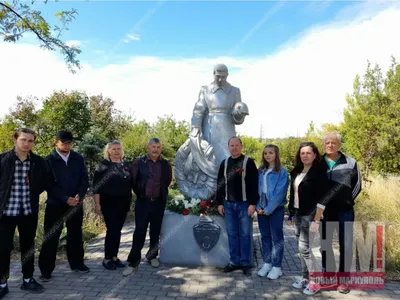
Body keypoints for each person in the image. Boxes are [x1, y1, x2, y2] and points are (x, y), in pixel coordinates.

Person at [174, 63, 250, 200]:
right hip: (209, 127)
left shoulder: (235, 91)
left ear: (227, 75)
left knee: (227, 159)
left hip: (227, 128)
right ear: (213, 74)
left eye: (223, 76)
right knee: (209, 157)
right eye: (217, 76)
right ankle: (206, 197)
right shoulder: (205, 89)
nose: (220, 79)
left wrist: (240, 114)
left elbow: (237, 117)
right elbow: (199, 108)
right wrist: (196, 127)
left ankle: (227, 196)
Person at [0, 128, 59, 297]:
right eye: (23, 140)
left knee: (28, 247)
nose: (27, 144)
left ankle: (28, 279)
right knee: (3, 249)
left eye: (30, 141)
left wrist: (34, 190)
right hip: (6, 214)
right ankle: (2, 283)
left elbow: (49, 183)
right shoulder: (3, 160)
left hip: (28, 212)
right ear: (15, 139)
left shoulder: (39, 162)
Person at [38, 131, 89, 281]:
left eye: (69, 143)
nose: (66, 145)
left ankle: (77, 263)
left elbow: (84, 179)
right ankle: (46, 270)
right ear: (56, 142)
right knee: (51, 236)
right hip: (55, 205)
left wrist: (80, 195)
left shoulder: (78, 158)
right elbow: (48, 184)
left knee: (75, 235)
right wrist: (65, 198)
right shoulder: (48, 160)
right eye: (63, 142)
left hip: (76, 203)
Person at [317, 132, 362, 294]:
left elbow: (357, 185)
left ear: (339, 145)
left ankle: (343, 280)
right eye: (327, 143)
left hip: (345, 211)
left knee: (346, 245)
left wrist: (347, 201)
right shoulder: (318, 164)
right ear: (323, 145)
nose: (330, 145)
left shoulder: (350, 162)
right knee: (326, 244)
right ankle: (328, 275)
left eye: (333, 142)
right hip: (325, 212)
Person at [123, 138, 172, 276]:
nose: (155, 149)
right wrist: (140, 192)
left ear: (160, 149)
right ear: (148, 148)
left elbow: (167, 181)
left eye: (158, 147)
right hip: (143, 203)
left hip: (158, 203)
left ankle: (152, 256)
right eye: (153, 147)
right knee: (139, 232)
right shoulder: (140, 162)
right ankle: (133, 262)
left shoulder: (165, 164)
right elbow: (133, 180)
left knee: (155, 232)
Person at [288, 142, 329, 296]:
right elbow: (293, 193)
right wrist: (291, 212)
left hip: (310, 214)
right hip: (298, 213)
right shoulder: (296, 171)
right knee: (301, 247)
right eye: (302, 153)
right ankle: (305, 277)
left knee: (305, 248)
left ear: (315, 155)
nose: (304, 155)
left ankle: (315, 282)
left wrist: (316, 220)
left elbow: (323, 198)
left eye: (308, 153)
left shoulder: (319, 171)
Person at [215, 136, 259, 277]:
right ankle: (234, 262)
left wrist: (252, 203)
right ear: (228, 147)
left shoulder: (248, 162)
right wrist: (219, 203)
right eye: (231, 145)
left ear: (241, 146)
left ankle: (246, 263)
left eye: (236, 145)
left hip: (244, 205)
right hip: (228, 205)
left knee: (245, 235)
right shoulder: (225, 163)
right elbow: (220, 184)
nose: (234, 148)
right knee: (232, 235)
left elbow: (254, 185)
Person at [93, 140, 132, 270]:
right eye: (114, 149)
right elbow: (96, 188)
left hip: (124, 202)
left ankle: (115, 257)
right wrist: (97, 205)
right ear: (108, 151)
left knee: (118, 230)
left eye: (119, 148)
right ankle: (107, 258)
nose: (116, 151)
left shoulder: (126, 165)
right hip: (108, 203)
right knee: (112, 230)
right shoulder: (103, 166)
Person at [256, 144, 289, 280]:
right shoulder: (261, 171)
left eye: (270, 153)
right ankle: (267, 263)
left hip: (275, 209)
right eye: (265, 153)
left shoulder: (282, 172)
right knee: (265, 237)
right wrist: (258, 206)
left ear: (276, 154)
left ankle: (277, 267)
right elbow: (256, 190)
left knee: (276, 238)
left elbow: (280, 193)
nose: (268, 155)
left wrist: (269, 209)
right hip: (261, 208)